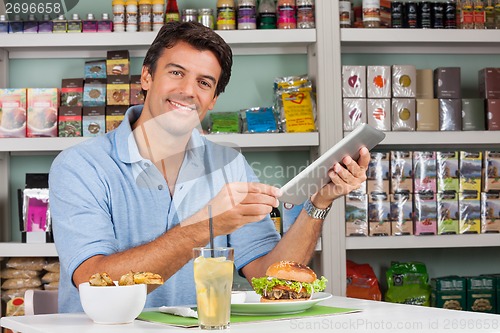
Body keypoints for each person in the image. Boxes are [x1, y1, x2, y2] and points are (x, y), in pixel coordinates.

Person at [49, 21, 370, 313]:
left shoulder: (228, 166)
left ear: (213, 99)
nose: (188, 91)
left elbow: (269, 275)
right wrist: (207, 224)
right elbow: (93, 279)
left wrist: (319, 202)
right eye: (176, 72)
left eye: (204, 82)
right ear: (146, 76)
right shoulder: (82, 166)